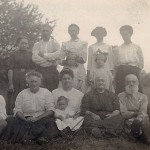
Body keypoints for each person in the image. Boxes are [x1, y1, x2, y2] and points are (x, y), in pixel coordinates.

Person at [1, 71, 59, 144]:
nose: (33, 84)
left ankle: (30, 137)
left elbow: (50, 110)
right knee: (10, 120)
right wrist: (25, 119)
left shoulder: (46, 92)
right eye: (31, 81)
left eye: (35, 81)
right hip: (25, 120)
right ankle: (34, 137)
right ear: (27, 82)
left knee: (50, 121)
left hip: (41, 119)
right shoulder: (22, 93)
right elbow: (17, 110)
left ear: (40, 82)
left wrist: (37, 118)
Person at [119, 74, 150, 144]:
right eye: (128, 82)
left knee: (142, 120)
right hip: (128, 120)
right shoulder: (121, 96)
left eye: (134, 82)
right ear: (124, 83)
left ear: (138, 83)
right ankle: (140, 136)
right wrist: (135, 114)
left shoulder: (144, 97)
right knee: (136, 122)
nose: (131, 84)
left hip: (141, 118)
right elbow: (123, 113)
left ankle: (144, 137)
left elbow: (143, 111)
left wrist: (138, 117)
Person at [7, 36, 35, 115]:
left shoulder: (31, 54)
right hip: (16, 77)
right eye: (22, 43)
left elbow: (33, 68)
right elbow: (10, 69)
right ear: (18, 44)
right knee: (15, 96)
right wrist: (10, 84)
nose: (24, 45)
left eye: (26, 43)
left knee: (27, 96)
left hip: (27, 77)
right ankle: (13, 116)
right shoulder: (13, 54)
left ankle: (27, 115)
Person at [115, 25, 144, 94]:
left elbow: (141, 62)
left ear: (130, 34)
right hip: (121, 71)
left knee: (135, 90)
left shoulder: (136, 47)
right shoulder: (118, 49)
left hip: (133, 70)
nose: (124, 36)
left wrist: (137, 71)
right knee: (121, 90)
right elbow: (116, 63)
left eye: (126, 34)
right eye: (122, 35)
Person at [32, 24, 60, 92]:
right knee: (40, 91)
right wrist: (50, 60)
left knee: (52, 91)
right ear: (41, 32)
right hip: (40, 71)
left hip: (52, 71)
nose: (45, 33)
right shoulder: (37, 44)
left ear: (51, 32)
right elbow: (35, 58)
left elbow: (58, 55)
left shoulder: (55, 43)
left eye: (47, 31)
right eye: (43, 31)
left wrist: (43, 55)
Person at [61, 24, 88, 93]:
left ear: (78, 31)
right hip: (67, 68)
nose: (73, 32)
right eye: (71, 31)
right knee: (66, 89)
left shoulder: (83, 43)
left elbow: (83, 59)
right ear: (68, 32)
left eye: (75, 31)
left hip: (79, 69)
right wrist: (68, 61)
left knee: (79, 89)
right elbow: (61, 60)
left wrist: (72, 58)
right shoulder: (65, 44)